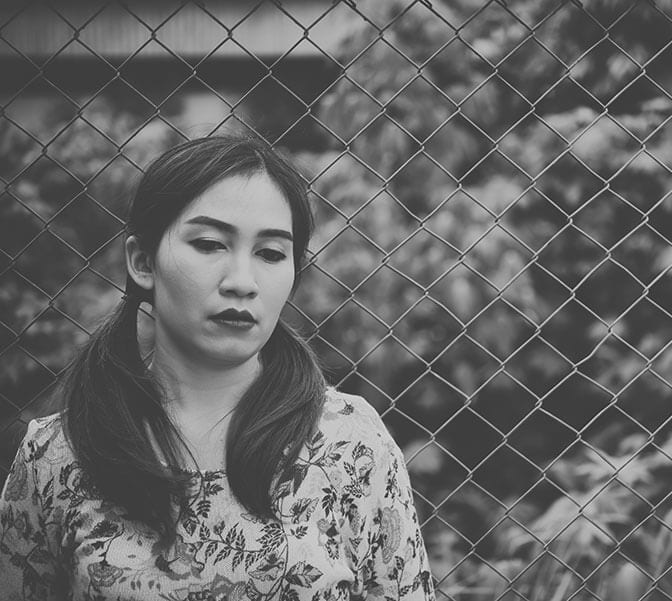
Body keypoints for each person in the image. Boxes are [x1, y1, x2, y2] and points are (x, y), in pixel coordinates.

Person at [0, 136, 435, 600]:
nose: (242, 282)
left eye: (270, 253)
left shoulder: (352, 446)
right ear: (143, 263)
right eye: (209, 244)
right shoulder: (59, 455)